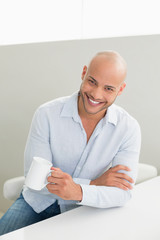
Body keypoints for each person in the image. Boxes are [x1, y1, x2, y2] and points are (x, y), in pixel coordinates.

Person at [0, 51, 141, 235]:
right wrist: (95, 183)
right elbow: (35, 181)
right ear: (83, 73)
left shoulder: (128, 128)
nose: (96, 95)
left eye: (108, 88)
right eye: (92, 81)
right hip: (37, 203)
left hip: (85, 209)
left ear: (120, 90)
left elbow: (122, 194)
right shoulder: (46, 114)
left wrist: (79, 192)